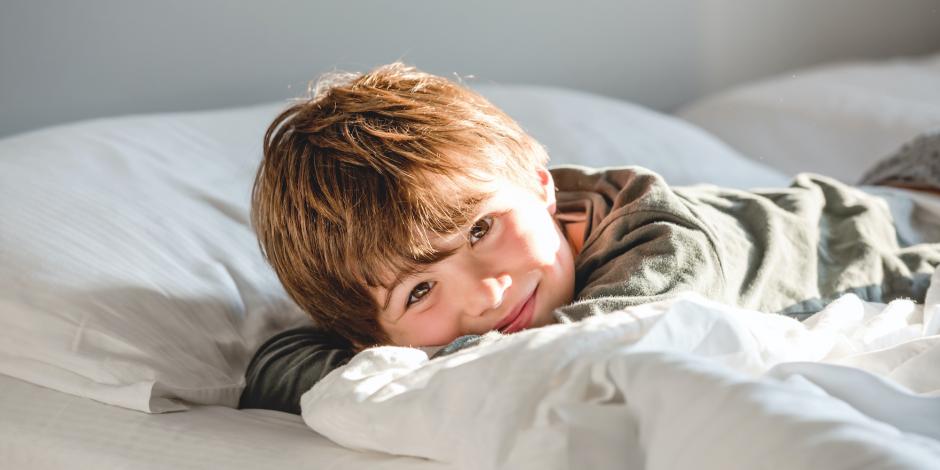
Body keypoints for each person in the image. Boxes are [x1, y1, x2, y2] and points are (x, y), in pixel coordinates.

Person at [239, 63, 940, 414]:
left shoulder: (666, 259)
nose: (486, 294)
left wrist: (402, 332)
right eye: (421, 289)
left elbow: (563, 364)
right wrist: (372, 342)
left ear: (543, 186)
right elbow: (274, 368)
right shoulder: (496, 243)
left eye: (483, 228)